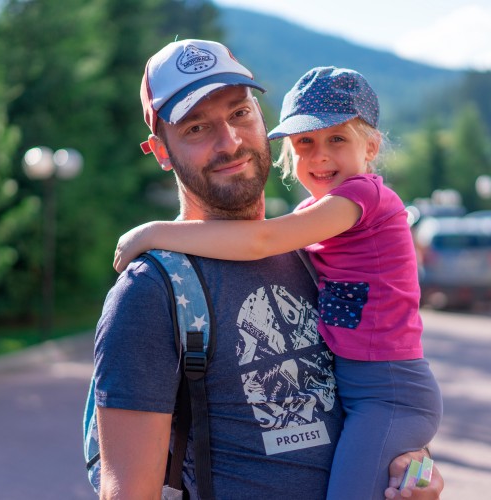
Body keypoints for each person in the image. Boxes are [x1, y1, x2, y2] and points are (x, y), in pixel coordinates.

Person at [95, 38, 443, 499]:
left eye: (240, 114)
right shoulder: (153, 291)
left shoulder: (312, 253)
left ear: (264, 120)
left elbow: (374, 410)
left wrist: (411, 476)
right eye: (196, 128)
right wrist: (154, 236)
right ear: (161, 152)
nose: (230, 141)